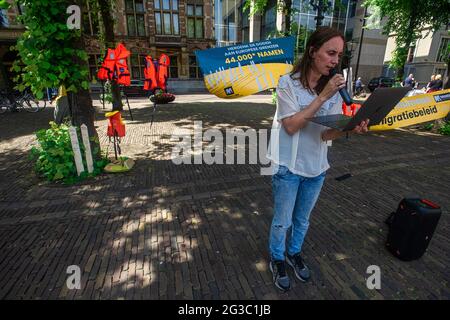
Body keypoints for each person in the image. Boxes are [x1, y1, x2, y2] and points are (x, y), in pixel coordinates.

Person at [266, 27, 369, 292]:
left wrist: (349, 127)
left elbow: (325, 134)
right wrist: (323, 96)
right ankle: (277, 258)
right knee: (282, 220)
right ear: (313, 52)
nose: (336, 61)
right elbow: (290, 126)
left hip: (317, 166)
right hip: (287, 165)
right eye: (330, 53)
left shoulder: (334, 91)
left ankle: (294, 252)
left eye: (339, 55)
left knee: (303, 220)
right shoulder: (287, 83)